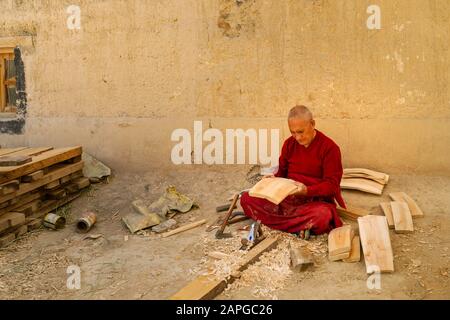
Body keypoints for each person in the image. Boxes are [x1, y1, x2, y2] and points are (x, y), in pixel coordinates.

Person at [240, 105, 346, 239]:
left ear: (312, 124)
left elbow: (332, 185)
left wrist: (306, 190)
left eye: (301, 132)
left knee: (322, 216)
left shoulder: (330, 148)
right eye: (293, 132)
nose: (297, 137)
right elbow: (281, 174)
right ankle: (298, 227)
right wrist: (271, 180)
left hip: (314, 200)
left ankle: (278, 223)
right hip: (288, 198)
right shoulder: (289, 144)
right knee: (246, 199)